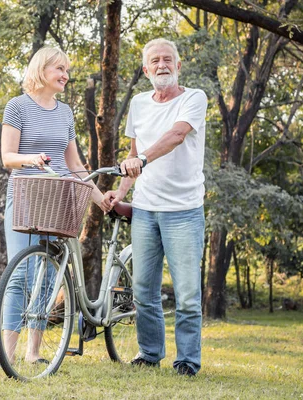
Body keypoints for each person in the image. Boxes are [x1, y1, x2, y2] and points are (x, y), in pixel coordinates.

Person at [102, 38, 208, 376]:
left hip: (184, 211)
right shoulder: (138, 103)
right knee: (144, 291)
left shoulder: (194, 98)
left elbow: (177, 135)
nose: (162, 65)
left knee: (188, 294)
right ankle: (149, 353)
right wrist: (120, 192)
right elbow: (133, 156)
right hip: (145, 210)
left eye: (168, 60)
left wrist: (143, 159)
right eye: (154, 61)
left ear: (178, 66)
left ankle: (187, 361)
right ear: (146, 70)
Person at [1, 47, 109, 364]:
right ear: (41, 69)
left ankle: (33, 353)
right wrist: (30, 159)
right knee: (20, 274)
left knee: (48, 275)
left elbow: (74, 164)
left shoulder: (65, 113)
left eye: (67, 70)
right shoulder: (17, 106)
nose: (65, 75)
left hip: (58, 199)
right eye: (59, 69)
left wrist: (101, 199)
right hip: (25, 196)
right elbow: (7, 158)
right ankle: (6, 354)